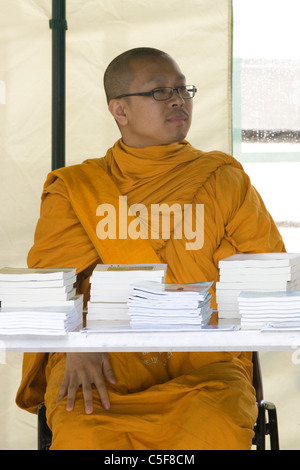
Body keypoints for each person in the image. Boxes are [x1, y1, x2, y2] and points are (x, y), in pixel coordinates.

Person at [16, 47, 285, 450]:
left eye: (182, 89)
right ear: (119, 110)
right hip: (102, 364)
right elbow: (51, 283)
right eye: (160, 91)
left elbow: (267, 273)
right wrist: (74, 347)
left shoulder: (224, 179)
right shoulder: (78, 187)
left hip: (205, 365)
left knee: (217, 423)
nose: (178, 99)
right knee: (83, 431)